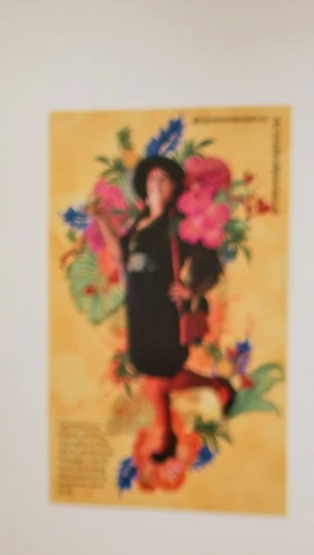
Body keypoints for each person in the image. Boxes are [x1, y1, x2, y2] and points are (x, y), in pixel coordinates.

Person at [96, 154, 229, 469]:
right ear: (144, 185)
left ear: (174, 188)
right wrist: (101, 219)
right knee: (148, 368)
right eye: (152, 178)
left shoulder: (177, 227)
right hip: (140, 309)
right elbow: (120, 255)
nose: (157, 183)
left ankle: (215, 389)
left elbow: (212, 262)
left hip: (165, 311)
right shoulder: (138, 225)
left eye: (164, 179)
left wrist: (192, 290)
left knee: (161, 374)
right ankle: (168, 433)